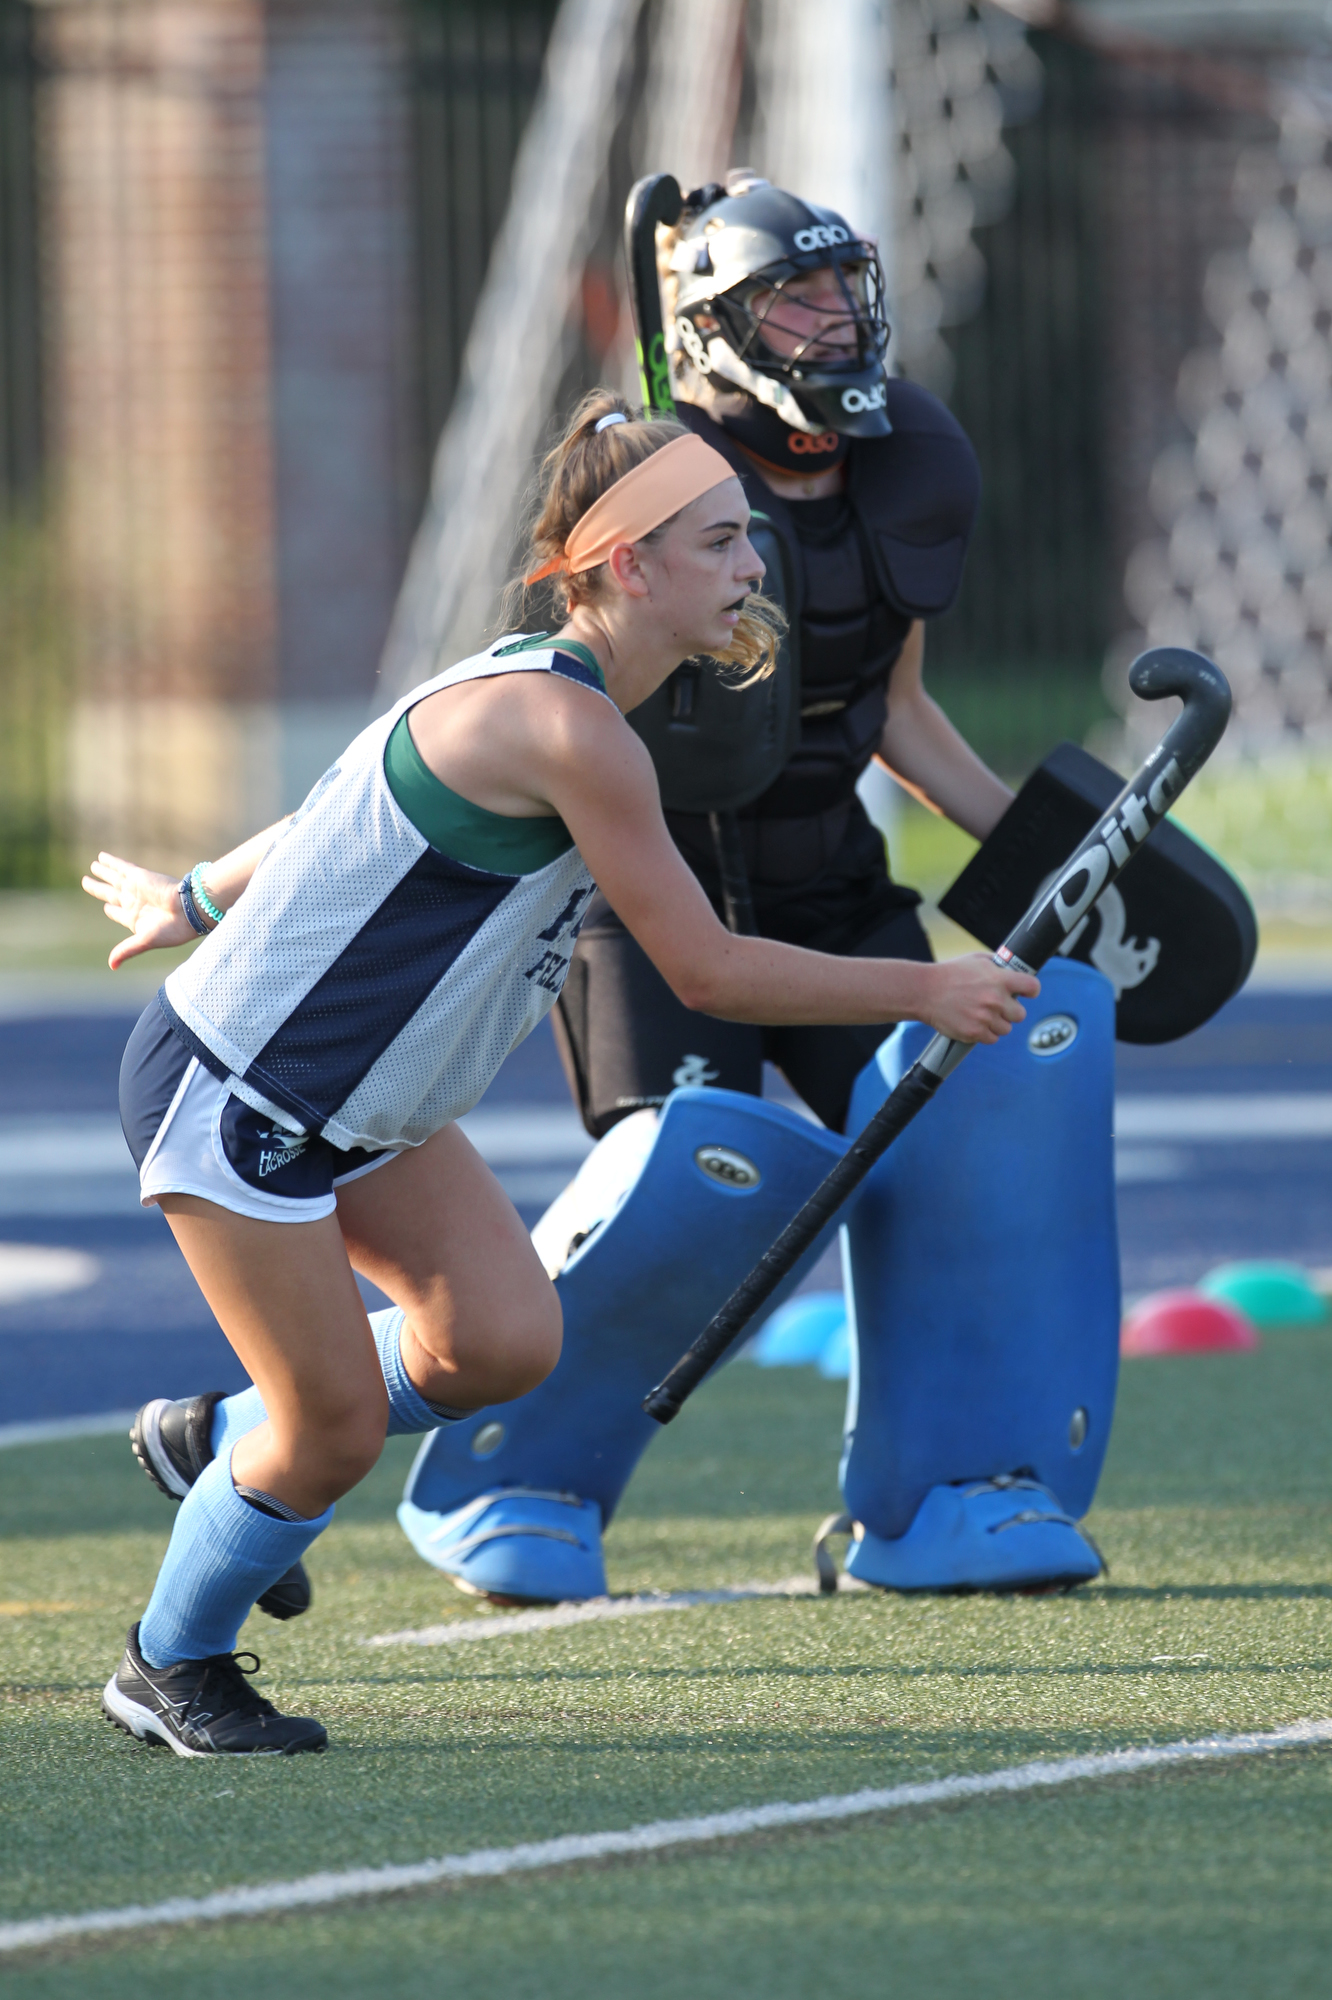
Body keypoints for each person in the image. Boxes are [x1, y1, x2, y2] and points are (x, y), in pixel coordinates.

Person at [86, 392, 1036, 1756]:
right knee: (335, 1431)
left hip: (369, 1099)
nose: (756, 568)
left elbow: (333, 802)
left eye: (749, 541)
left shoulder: (573, 697)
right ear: (629, 567)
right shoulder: (571, 728)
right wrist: (928, 987)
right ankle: (167, 1663)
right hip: (245, 1102)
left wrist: (196, 892)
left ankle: (215, 1438)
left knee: (504, 1343)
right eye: (721, 544)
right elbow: (705, 971)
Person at [397, 177, 1117, 1605]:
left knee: (973, 1138)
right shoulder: (657, 494)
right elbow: (555, 698)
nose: (836, 318)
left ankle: (952, 1494)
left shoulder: (902, 471)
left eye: (846, 288)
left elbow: (894, 713)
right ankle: (522, 1474)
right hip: (666, 913)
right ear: (717, 326)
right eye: (797, 294)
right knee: (690, 1183)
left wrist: (1054, 854)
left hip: (838, 896)